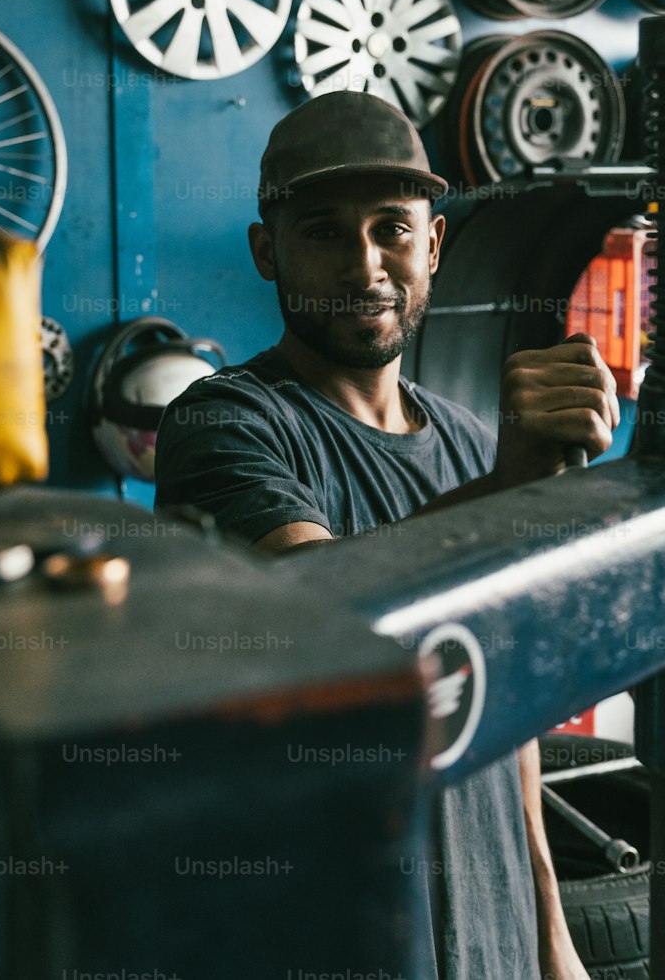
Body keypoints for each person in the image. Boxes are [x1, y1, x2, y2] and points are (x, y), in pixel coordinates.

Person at [154, 91, 620, 980]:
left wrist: (550, 932)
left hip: (487, 924)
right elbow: (322, 615)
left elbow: (508, 706)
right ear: (268, 252)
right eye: (324, 232)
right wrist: (510, 490)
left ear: (433, 246)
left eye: (392, 231)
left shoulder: (475, 443)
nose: (364, 264)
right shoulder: (224, 425)